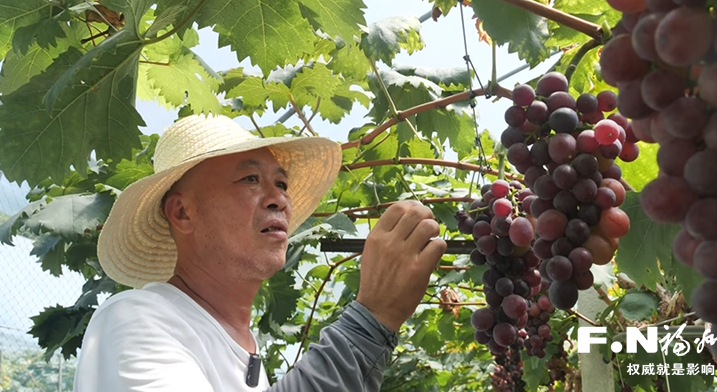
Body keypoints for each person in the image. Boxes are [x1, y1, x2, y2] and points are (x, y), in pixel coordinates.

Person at [72, 114, 448, 391]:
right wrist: (369, 322)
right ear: (182, 212)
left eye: (281, 183)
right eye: (250, 179)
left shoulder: (241, 347)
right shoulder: (136, 320)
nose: (280, 200)